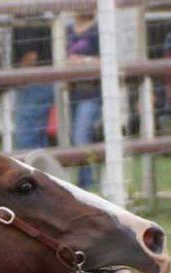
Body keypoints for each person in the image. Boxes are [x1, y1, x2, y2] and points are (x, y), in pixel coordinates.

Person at [67, 13, 102, 189]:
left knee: (81, 137)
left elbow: (106, 60)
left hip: (92, 92)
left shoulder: (98, 30)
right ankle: (86, 181)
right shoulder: (66, 29)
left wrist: (84, 61)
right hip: (71, 92)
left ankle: (85, 185)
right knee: (75, 137)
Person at [13, 26, 55, 150]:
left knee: (27, 140)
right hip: (41, 82)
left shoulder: (26, 20)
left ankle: (30, 169)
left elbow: (31, 55)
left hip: (32, 84)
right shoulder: (39, 19)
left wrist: (18, 77)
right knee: (38, 139)